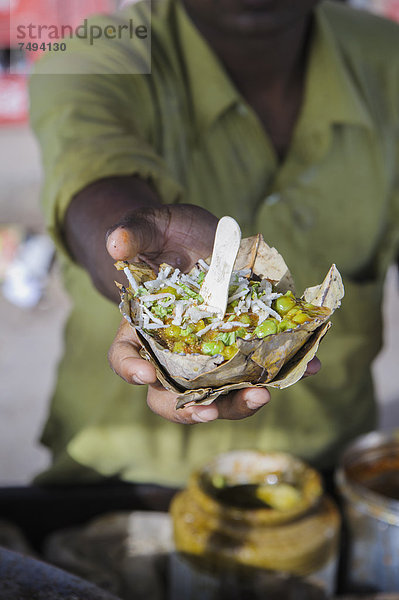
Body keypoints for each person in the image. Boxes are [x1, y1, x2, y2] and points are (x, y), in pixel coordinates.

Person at [29, 0, 399, 487]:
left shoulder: (385, 60)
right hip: (119, 479)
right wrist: (138, 250)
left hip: (322, 472)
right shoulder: (95, 55)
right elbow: (93, 182)